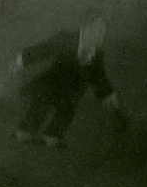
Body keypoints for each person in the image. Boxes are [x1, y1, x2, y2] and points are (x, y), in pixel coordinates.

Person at [12, 17, 122, 148]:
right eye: (96, 31)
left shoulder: (96, 54)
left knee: (66, 113)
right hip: (52, 82)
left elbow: (99, 77)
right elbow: (44, 49)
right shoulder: (66, 39)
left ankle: (52, 137)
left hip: (72, 89)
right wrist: (21, 60)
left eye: (102, 33)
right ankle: (24, 132)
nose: (99, 36)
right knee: (40, 106)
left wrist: (107, 93)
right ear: (85, 29)